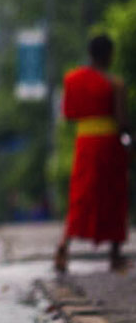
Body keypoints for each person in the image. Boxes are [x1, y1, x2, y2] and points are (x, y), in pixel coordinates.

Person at [54, 34, 131, 274]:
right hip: (109, 145)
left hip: (85, 143)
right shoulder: (115, 84)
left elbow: (68, 114)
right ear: (109, 55)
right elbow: (122, 122)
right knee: (114, 195)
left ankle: (64, 247)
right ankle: (115, 254)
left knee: (81, 195)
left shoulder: (73, 79)